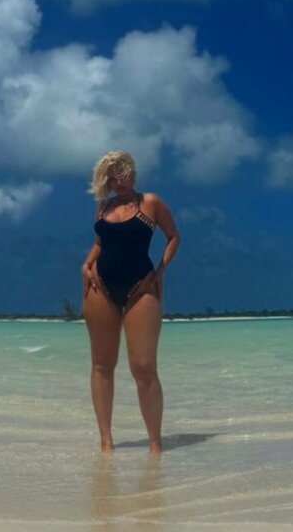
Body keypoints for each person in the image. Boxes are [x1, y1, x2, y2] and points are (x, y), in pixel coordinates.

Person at [82, 150, 181, 455]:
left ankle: (155, 445)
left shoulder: (150, 203)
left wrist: (161, 271)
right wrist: (86, 264)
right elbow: (101, 242)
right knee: (101, 365)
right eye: (112, 177)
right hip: (100, 287)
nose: (118, 182)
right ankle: (106, 442)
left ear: (133, 174)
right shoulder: (103, 207)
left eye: (123, 175)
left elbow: (173, 237)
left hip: (142, 287)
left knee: (144, 367)